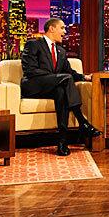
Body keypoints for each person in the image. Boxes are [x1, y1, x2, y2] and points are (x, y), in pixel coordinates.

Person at [21, 18, 101, 156]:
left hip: (53, 87)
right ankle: (82, 122)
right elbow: (30, 70)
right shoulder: (33, 44)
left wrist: (85, 77)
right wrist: (54, 77)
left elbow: (69, 73)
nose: (65, 31)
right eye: (62, 28)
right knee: (64, 80)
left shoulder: (61, 51)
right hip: (34, 85)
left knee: (61, 93)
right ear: (52, 28)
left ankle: (62, 142)